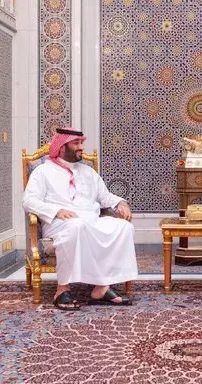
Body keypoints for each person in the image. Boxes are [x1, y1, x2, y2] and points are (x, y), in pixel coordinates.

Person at [22, 127, 138, 311]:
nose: (81, 147)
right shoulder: (43, 172)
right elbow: (29, 201)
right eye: (76, 143)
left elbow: (105, 197)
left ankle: (102, 287)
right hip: (60, 223)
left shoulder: (88, 172)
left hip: (91, 220)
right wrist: (56, 210)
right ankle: (62, 290)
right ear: (61, 147)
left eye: (81, 143)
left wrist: (121, 203)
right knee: (76, 226)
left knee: (124, 228)